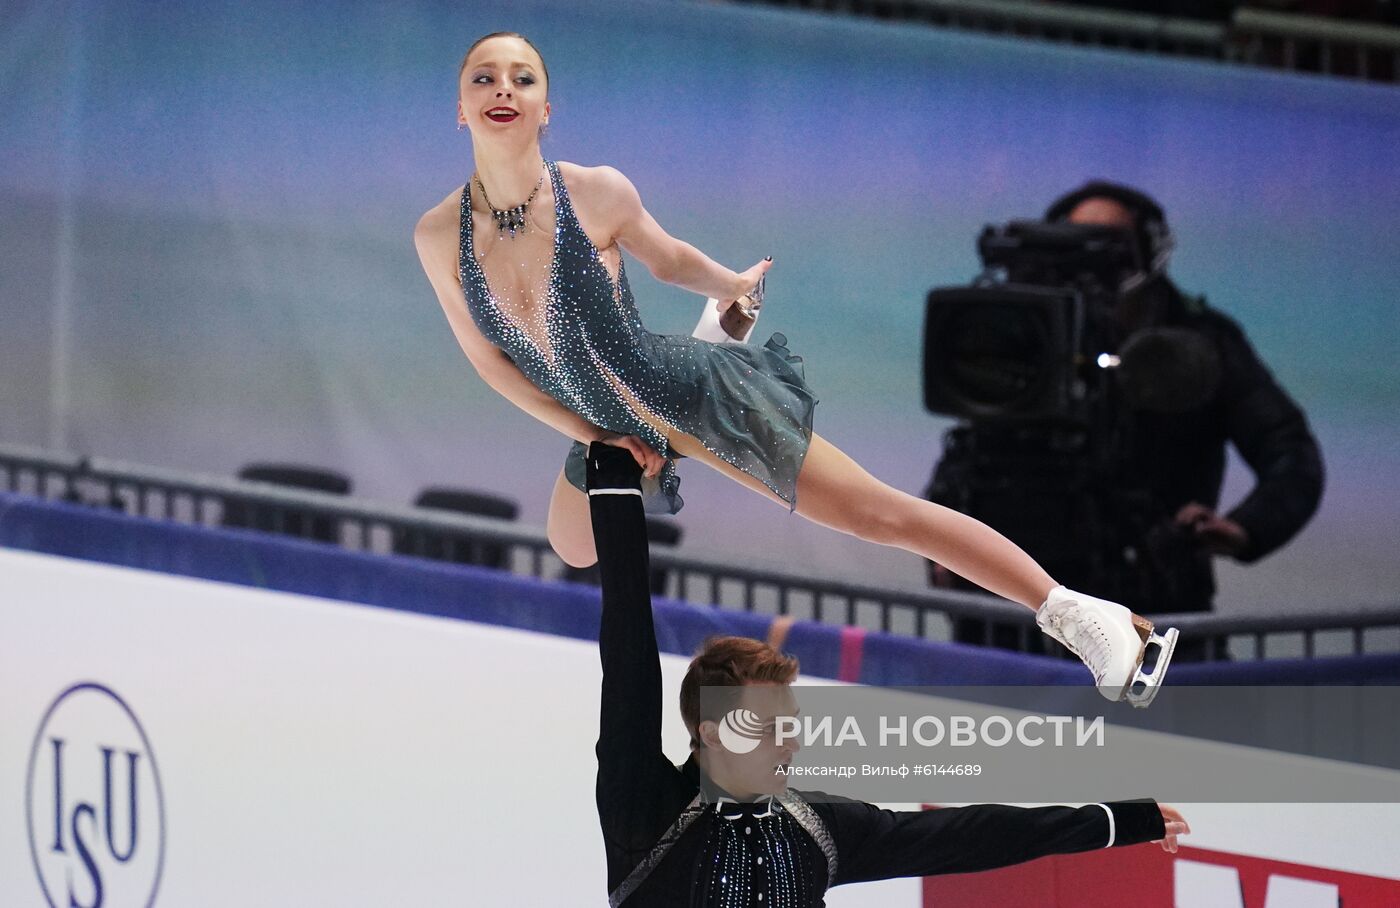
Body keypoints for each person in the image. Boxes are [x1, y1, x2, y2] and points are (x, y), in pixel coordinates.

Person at [412, 32, 1176, 703]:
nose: (503, 88)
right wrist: (592, 435)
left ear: (547, 108)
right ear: (458, 108)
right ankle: (709, 344)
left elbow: (671, 258)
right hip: (609, 421)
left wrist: (732, 285)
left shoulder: (593, 191)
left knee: (878, 514)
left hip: (686, 395)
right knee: (572, 546)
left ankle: (1087, 618)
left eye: (523, 77)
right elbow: (490, 364)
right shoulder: (438, 234)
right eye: (484, 77)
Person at [586, 441, 1188, 906]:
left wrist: (1119, 819)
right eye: (766, 726)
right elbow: (629, 646)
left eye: (788, 724)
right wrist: (614, 486)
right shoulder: (646, 806)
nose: (788, 741)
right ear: (712, 731)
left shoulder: (816, 827)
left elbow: (969, 835)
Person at [927, 181, 1324, 657]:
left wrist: (1245, 528)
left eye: (1108, 247)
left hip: (1151, 618)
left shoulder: (1200, 341)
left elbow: (1291, 454)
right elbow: (972, 449)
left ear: (1149, 253)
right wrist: (943, 546)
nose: (1089, 261)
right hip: (1009, 624)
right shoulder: (1012, 337)